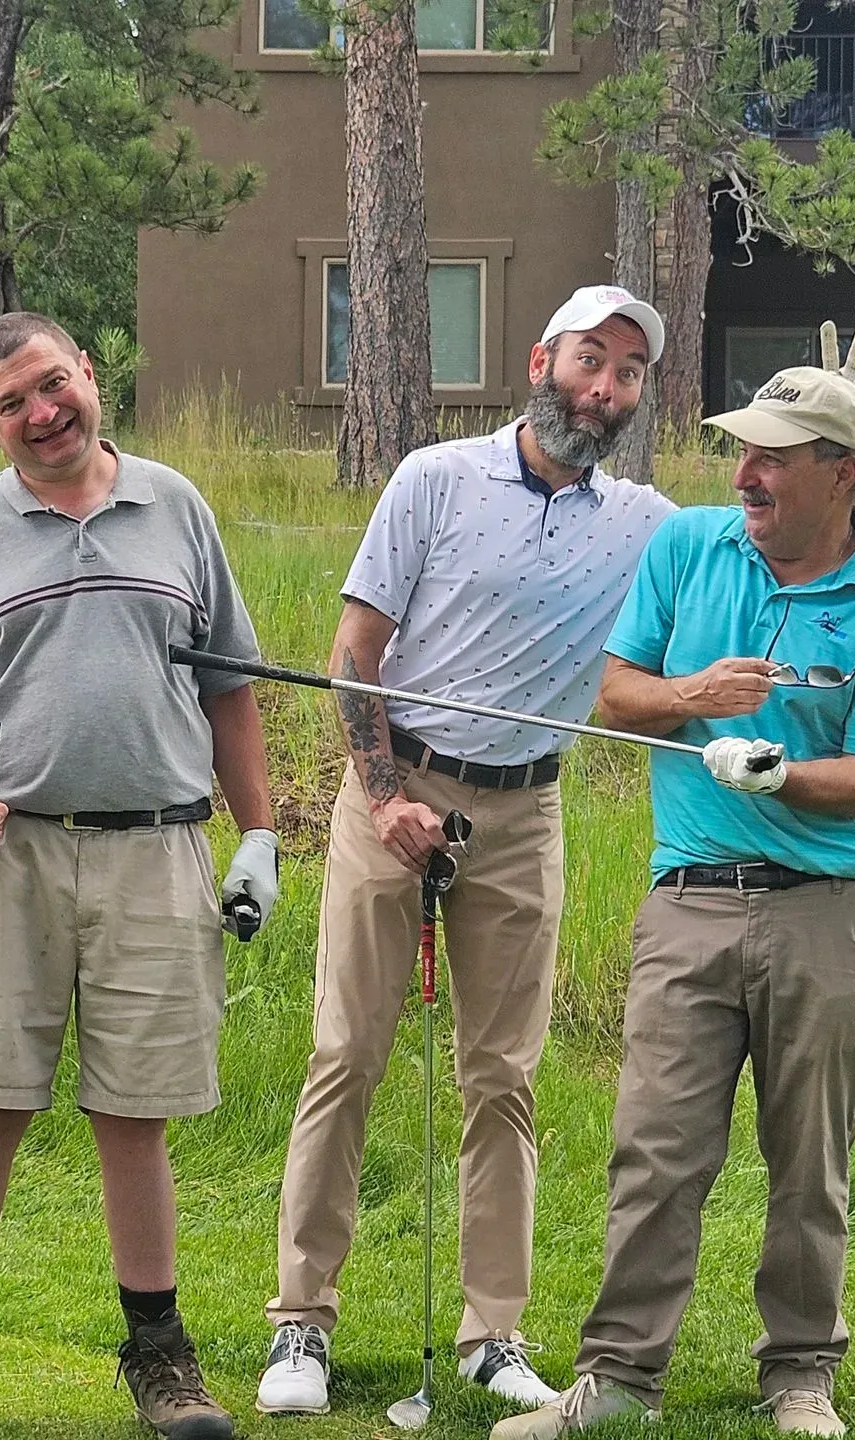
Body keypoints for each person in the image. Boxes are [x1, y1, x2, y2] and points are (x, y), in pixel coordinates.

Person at [495, 326, 855, 1440]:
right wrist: (697, 697)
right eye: (743, 451)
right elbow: (616, 692)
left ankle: (800, 1375)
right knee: (655, 1148)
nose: (744, 474)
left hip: (827, 914)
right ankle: (619, 1379)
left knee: (809, 1161)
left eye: (775, 457)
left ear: (842, 474)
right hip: (689, 898)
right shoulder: (691, 550)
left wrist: (784, 772)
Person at [0, 311, 277, 1440]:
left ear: (88, 371)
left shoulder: (176, 508)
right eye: (9, 404)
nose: (41, 416)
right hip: (8, 859)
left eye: (51, 385)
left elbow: (231, 689)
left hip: (158, 846)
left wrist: (262, 835)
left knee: (134, 1118)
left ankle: (162, 1360)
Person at [257, 285, 677, 1418]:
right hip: (394, 783)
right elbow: (354, 653)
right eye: (593, 359)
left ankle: (493, 1331)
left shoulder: (645, 521)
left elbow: (749, 553)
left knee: (504, 1080)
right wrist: (384, 794)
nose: (605, 388)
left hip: (525, 809)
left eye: (629, 373)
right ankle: (301, 1324)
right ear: (543, 358)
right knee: (346, 1053)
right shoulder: (434, 479)